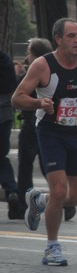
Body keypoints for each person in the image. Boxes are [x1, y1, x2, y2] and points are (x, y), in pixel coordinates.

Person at [11, 17, 77, 266]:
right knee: (60, 191)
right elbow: (17, 98)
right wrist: (39, 103)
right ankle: (52, 247)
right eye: (71, 36)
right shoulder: (43, 65)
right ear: (58, 39)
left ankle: (40, 200)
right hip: (51, 132)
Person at [15, 38, 56, 220]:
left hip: (32, 124)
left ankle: (24, 203)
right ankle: (63, 201)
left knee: (25, 164)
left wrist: (19, 74)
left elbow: (20, 93)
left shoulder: (35, 71)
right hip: (49, 125)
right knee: (48, 165)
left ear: (36, 55)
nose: (27, 56)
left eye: (29, 53)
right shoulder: (53, 69)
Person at [0, 49, 20, 220]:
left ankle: (11, 189)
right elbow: (13, 86)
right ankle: (11, 190)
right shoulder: (5, 60)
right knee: (1, 155)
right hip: (5, 115)